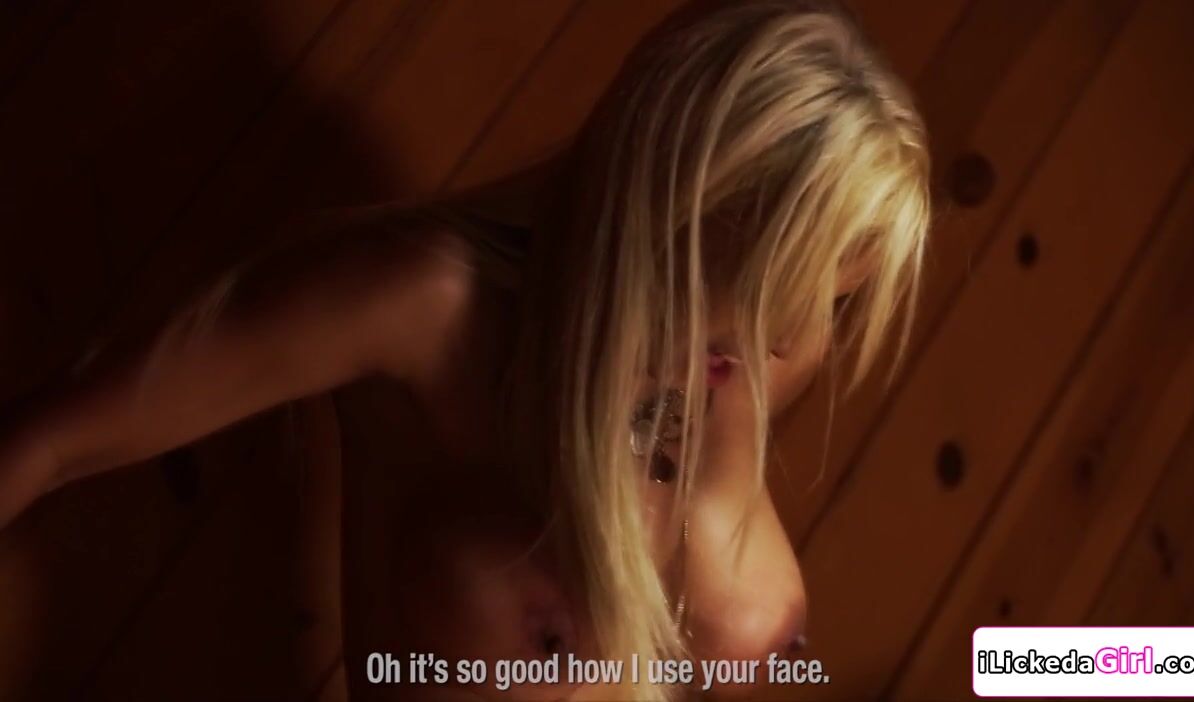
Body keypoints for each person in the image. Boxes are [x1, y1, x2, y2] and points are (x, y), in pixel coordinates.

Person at [0, 0, 929, 699]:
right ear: (684, 200)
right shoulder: (424, 308)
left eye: (828, 301)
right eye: (771, 285)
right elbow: (45, 444)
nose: (789, 334)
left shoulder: (767, 353)